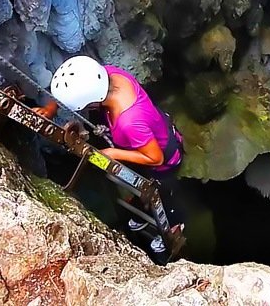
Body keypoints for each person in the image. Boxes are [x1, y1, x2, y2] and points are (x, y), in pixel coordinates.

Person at [33, 55, 185, 254]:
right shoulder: (107, 75)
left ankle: (175, 225)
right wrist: (50, 108)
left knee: (164, 194)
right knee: (143, 184)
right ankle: (141, 211)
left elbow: (156, 158)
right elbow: (76, 87)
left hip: (164, 159)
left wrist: (113, 152)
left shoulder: (129, 122)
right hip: (153, 132)